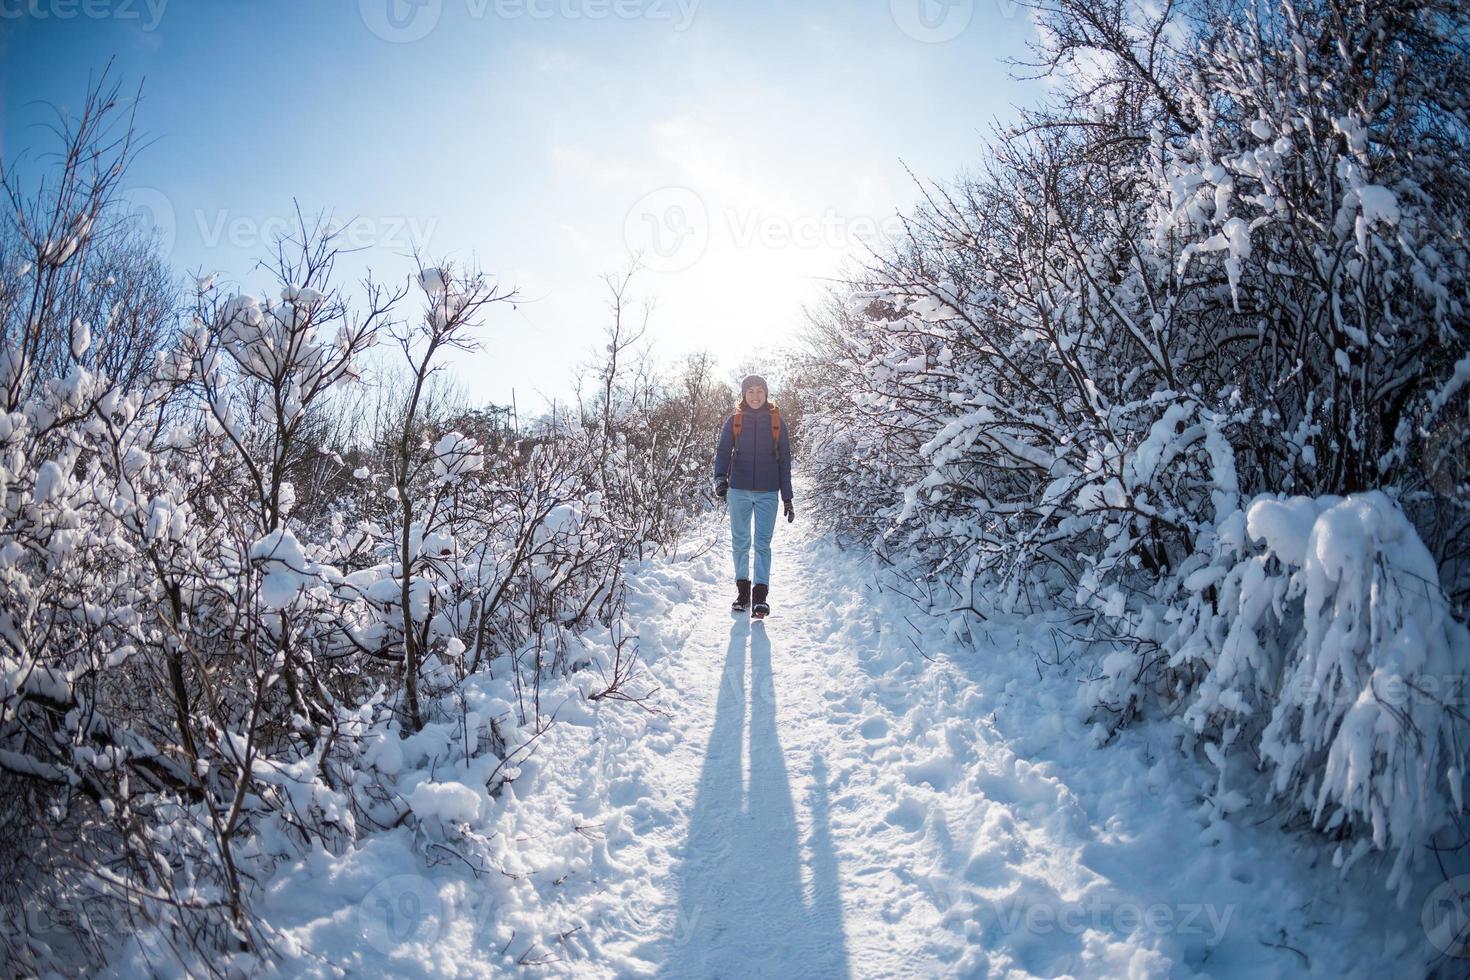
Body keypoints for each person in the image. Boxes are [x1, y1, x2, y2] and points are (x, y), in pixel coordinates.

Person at [712, 375, 795, 618]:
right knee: (740, 542)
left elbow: (785, 462)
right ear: (744, 395)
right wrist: (720, 478)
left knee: (762, 545)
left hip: (768, 492)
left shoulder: (777, 422)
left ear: (766, 393)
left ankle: (760, 598)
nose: (755, 396)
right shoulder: (735, 421)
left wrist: (787, 497)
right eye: (750, 392)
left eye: (759, 391)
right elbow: (723, 450)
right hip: (738, 491)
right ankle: (742, 592)